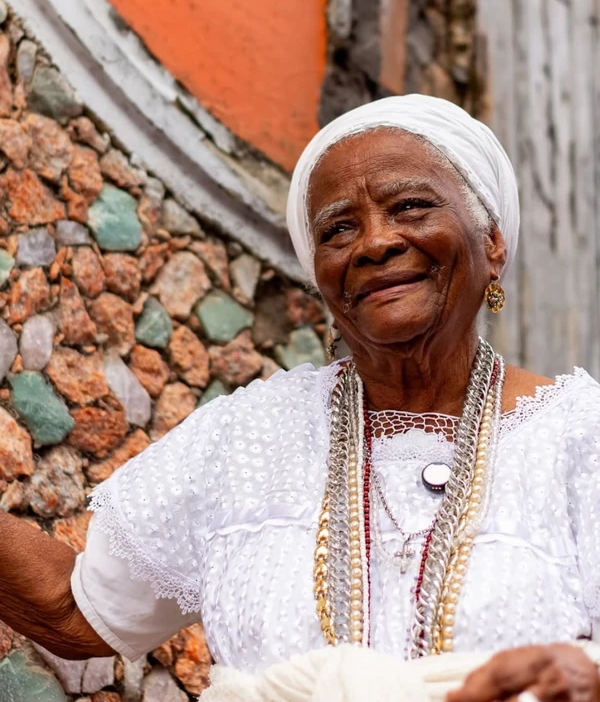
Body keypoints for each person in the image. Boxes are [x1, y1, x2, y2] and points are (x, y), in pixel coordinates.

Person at [0, 95, 598, 702]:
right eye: (338, 229)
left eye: (411, 206)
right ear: (320, 278)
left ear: (493, 242)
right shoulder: (246, 437)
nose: (374, 242)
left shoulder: (579, 435)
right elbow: (79, 610)